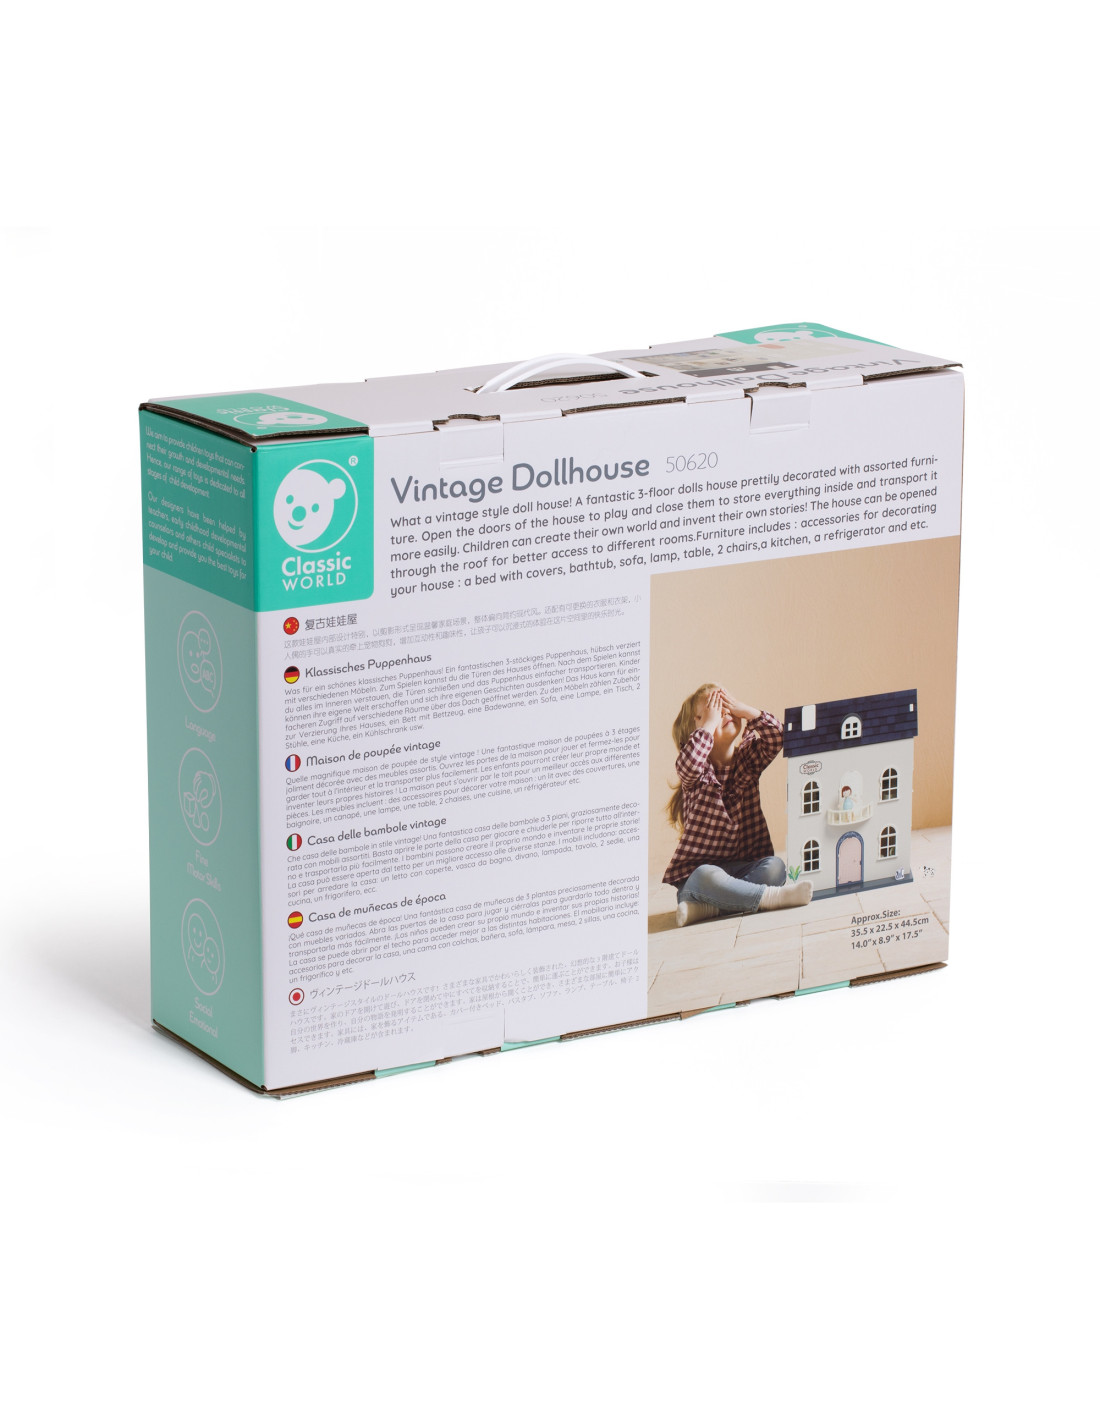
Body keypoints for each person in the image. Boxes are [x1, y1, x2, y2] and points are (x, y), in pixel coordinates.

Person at [664, 684, 813, 926]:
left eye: (726, 707)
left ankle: (710, 908)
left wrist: (745, 710)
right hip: (700, 878)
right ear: (694, 733)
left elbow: (777, 736)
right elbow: (688, 763)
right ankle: (770, 897)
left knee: (775, 867)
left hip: (745, 868)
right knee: (706, 874)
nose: (724, 714)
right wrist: (709, 725)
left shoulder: (747, 760)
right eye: (713, 710)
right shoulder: (697, 773)